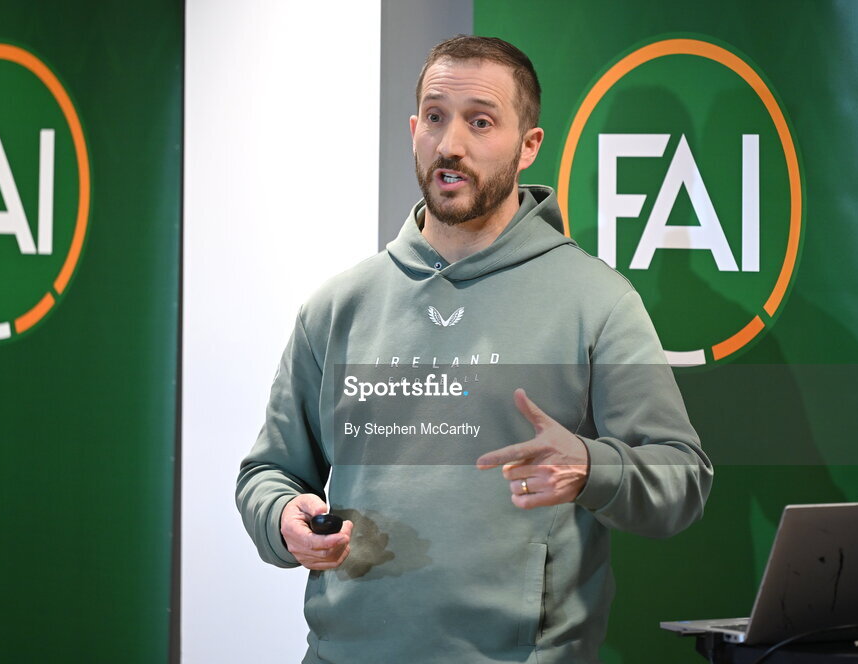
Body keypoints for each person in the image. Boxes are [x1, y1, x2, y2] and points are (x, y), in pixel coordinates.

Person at [236, 35, 713, 663]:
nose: (450, 144)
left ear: (529, 146)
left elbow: (684, 477)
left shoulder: (596, 301)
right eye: (435, 117)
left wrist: (592, 469)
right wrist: (281, 517)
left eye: (480, 121)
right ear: (413, 130)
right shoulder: (337, 306)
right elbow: (266, 473)